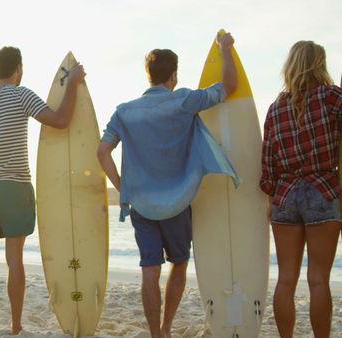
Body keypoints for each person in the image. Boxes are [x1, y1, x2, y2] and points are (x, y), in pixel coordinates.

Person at [96, 32, 238, 338]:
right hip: (177, 203)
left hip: (142, 205)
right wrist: (225, 48)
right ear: (173, 75)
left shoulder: (124, 111)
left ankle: (154, 333)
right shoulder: (184, 100)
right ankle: (167, 326)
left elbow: (102, 151)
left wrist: (123, 188)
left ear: (148, 76)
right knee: (179, 263)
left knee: (150, 271)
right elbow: (228, 86)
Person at [0, 46, 85, 335]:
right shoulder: (21, 94)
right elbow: (60, 120)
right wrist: (73, 84)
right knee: (14, 258)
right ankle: (15, 324)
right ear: (17, 68)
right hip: (15, 186)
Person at [260, 41, 342, 338]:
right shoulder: (329, 96)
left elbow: (267, 165)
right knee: (318, 280)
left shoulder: (275, 109)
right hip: (322, 190)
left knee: (286, 279)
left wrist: (272, 197)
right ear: (319, 64)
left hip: (285, 195)